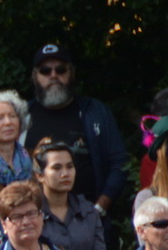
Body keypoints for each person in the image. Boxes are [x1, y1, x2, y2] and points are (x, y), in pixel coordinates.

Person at [21, 43, 128, 214]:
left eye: (61, 70)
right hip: (35, 219)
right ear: (34, 76)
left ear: (72, 72)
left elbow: (119, 163)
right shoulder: (21, 116)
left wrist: (101, 206)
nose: (53, 76)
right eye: (45, 71)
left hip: (90, 216)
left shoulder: (95, 112)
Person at [35, 140, 109, 250]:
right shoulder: (31, 214)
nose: (65, 173)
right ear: (40, 175)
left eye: (70, 167)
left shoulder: (88, 212)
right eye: (56, 168)